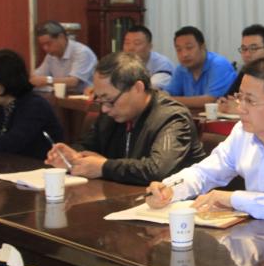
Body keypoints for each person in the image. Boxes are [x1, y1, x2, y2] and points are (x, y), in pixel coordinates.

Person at [145, 57, 264, 227]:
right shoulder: (243, 132)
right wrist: (169, 188)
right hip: (263, 239)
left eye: (250, 101)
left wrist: (233, 199)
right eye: (240, 97)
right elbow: (204, 173)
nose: (240, 108)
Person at [46, 52, 205, 184]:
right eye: (100, 100)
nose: (104, 108)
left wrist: (104, 167)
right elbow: (88, 145)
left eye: (109, 100)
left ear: (137, 88)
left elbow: (157, 170)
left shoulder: (172, 117)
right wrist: (73, 156)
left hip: (174, 205)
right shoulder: (111, 113)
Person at [165, 26, 238, 107]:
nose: (184, 54)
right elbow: (167, 93)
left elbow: (210, 101)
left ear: (202, 47)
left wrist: (168, 100)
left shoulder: (219, 64)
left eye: (189, 48)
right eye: (179, 50)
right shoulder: (181, 68)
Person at [29, 21, 98, 94]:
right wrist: (34, 78)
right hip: (61, 96)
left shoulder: (81, 52)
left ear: (61, 37)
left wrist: (47, 80)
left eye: (48, 43)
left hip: (84, 96)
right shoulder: (51, 55)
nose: (45, 48)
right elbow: (37, 75)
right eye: (42, 45)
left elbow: (73, 82)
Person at [219, 24, 264, 114]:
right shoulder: (246, 70)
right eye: (244, 49)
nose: (247, 54)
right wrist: (224, 103)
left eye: (253, 48)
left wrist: (240, 107)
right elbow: (228, 98)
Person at [122, 25, 174, 91]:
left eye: (137, 43)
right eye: (127, 43)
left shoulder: (162, 64)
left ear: (150, 47)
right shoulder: (121, 63)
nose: (130, 48)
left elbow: (151, 90)